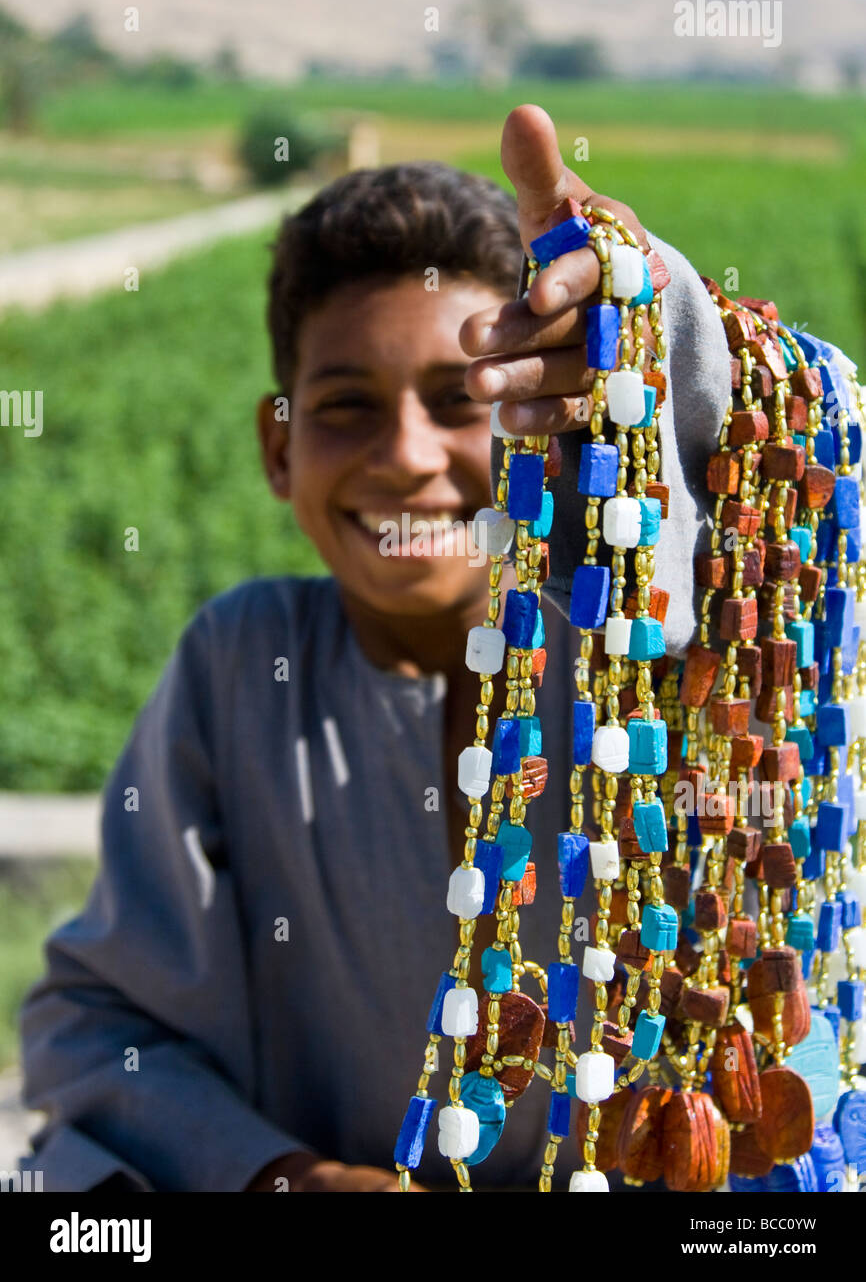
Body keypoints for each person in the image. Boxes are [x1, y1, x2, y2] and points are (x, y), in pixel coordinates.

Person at [18, 105, 730, 1191]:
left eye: (462, 403)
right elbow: (96, 1026)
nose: (404, 458)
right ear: (277, 443)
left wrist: (654, 331)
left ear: (548, 408)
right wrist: (284, 1179)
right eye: (347, 406)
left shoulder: (642, 660)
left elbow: (769, 530)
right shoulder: (241, 667)